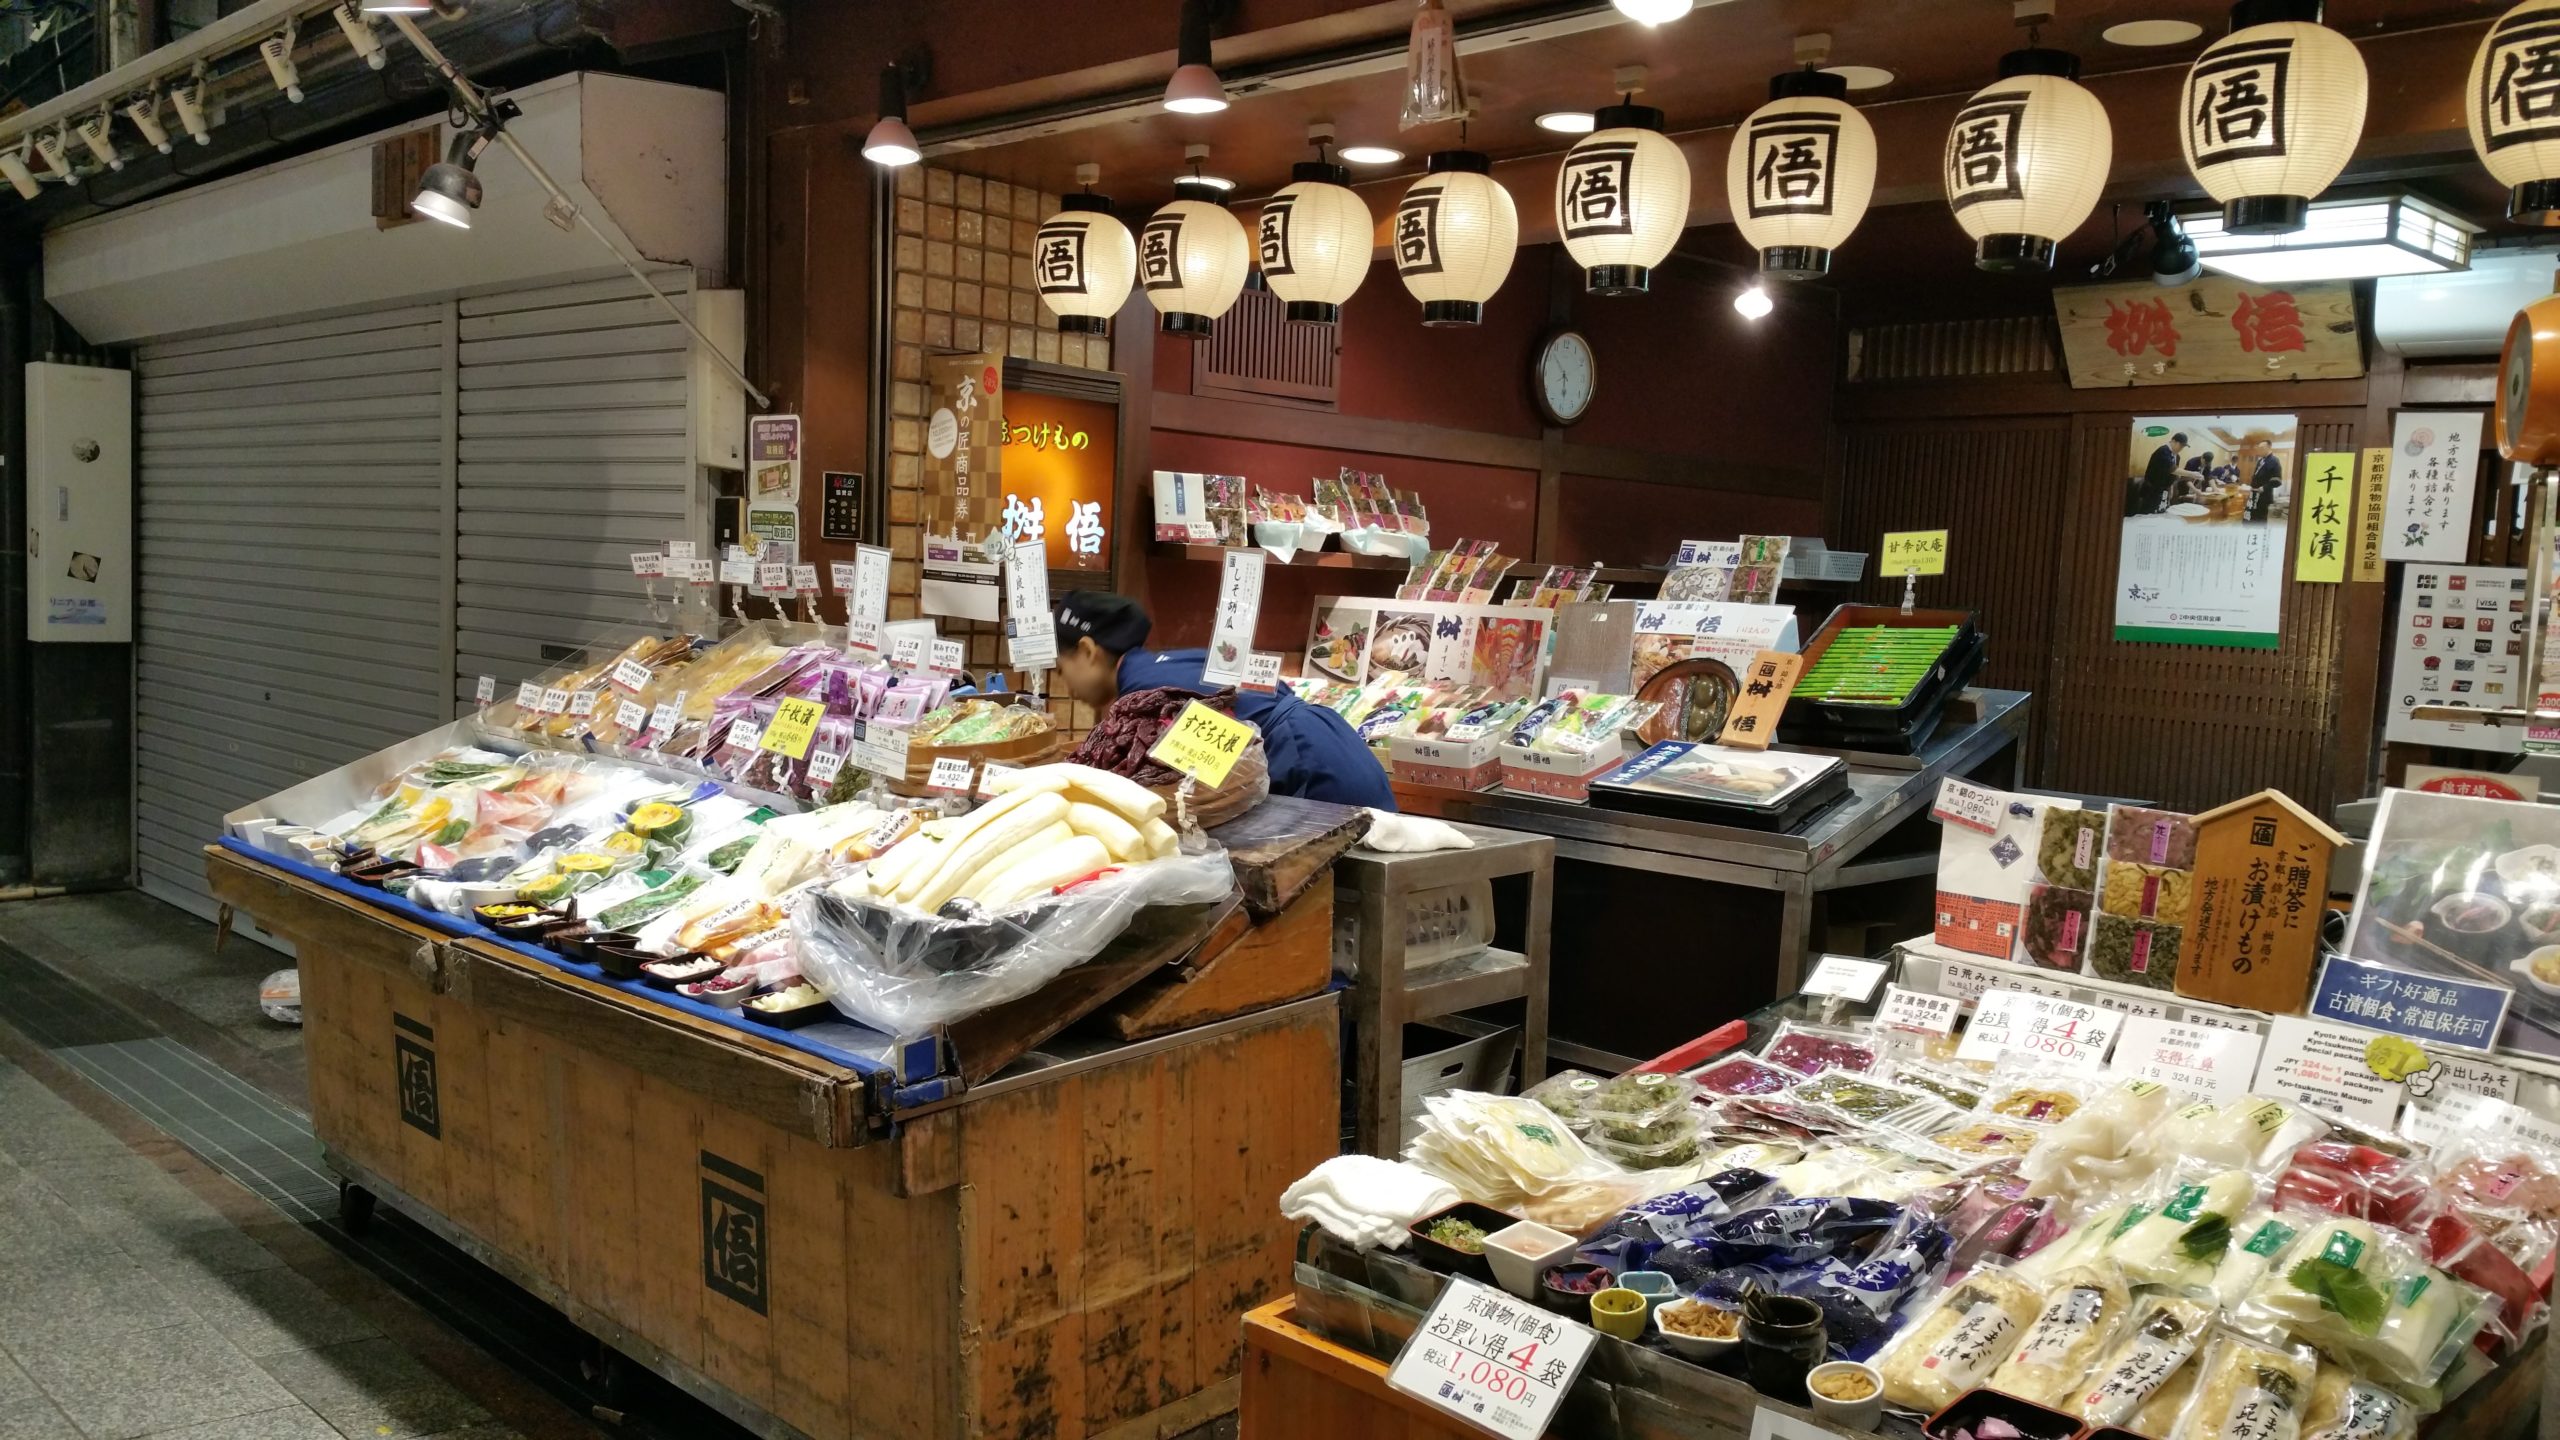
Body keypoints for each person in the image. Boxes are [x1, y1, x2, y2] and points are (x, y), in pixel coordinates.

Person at [1053, 592, 1398, 810]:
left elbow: (1212, 780)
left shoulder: (1145, 696)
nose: (1065, 685)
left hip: (1311, 766)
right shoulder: (1164, 665)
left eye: (1060, 668)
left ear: (1087, 651)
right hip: (1333, 743)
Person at [2135, 432, 2187, 515]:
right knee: (2148, 514)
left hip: (2164, 490)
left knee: (2161, 513)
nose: (2181, 448)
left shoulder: (2177, 456)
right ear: (2173, 441)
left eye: (2183, 447)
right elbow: (2172, 469)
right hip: (2152, 490)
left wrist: (2171, 488)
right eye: (2180, 445)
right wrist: (2192, 474)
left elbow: (2173, 474)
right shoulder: (2162, 451)